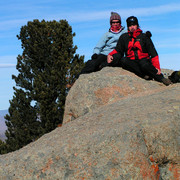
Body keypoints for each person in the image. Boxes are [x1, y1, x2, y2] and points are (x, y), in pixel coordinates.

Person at [107, 16, 172, 86]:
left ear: (137, 25)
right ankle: (144, 75)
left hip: (144, 61)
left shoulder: (144, 37)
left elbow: (153, 54)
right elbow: (118, 50)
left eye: (134, 25)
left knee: (143, 64)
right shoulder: (124, 37)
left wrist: (157, 68)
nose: (132, 27)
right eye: (130, 25)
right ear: (128, 27)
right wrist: (110, 55)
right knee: (123, 60)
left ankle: (161, 78)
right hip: (132, 62)